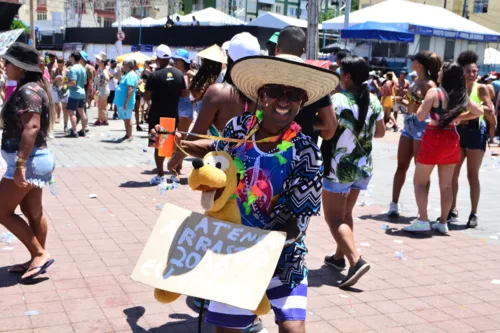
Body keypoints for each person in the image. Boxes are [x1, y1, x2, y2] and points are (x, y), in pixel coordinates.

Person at [151, 53, 338, 333]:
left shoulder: (307, 152)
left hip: (283, 257)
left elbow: (299, 223)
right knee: (228, 331)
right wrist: (176, 142)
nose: (284, 101)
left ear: (302, 101)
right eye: (275, 91)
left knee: (292, 329)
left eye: (294, 94)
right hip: (232, 251)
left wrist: (262, 248)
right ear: (262, 95)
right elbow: (217, 152)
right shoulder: (239, 127)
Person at [322, 56, 385, 288]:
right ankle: (339, 258)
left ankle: (355, 260)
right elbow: (380, 133)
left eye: (340, 71)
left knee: (334, 217)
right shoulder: (374, 100)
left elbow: (327, 132)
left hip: (339, 167)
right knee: (346, 214)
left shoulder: (337, 99)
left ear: (347, 76)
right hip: (362, 167)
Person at [402, 62, 484, 234]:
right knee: (446, 185)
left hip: (433, 136)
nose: (438, 72)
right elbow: (478, 111)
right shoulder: (461, 95)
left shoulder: (434, 92)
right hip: (451, 138)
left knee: (420, 181)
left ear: (445, 75)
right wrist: (458, 117)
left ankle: (423, 219)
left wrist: (421, 109)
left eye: (441, 70)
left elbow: (420, 116)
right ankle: (443, 222)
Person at [166, 33, 260, 176]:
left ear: (228, 58)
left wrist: (176, 158)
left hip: (221, 170)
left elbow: (197, 133)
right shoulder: (263, 96)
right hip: (254, 173)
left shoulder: (218, 92)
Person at [0, 42, 56, 280]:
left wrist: (20, 165)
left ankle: (39, 253)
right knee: (33, 211)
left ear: (21, 67)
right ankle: (36, 259)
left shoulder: (27, 91)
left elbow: (31, 128)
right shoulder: (33, 88)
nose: (5, 66)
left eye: (9, 63)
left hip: (27, 161)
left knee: (1, 211)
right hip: (35, 159)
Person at [388, 51, 441, 217]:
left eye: (413, 61)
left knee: (421, 169)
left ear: (419, 64)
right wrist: (399, 102)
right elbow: (408, 102)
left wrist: (415, 102)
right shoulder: (416, 82)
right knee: (401, 165)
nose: (411, 63)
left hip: (422, 126)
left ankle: (421, 210)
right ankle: (394, 204)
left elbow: (434, 107)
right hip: (409, 124)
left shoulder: (429, 85)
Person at [450, 51, 494, 228]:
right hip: (458, 133)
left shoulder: (482, 88)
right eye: (468, 71)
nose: (472, 74)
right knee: (453, 174)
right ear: (462, 71)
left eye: (475, 71)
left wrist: (462, 116)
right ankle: (452, 209)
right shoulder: (456, 89)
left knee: (472, 175)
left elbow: (488, 110)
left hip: (476, 134)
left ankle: (474, 212)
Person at [276, 26, 338, 143]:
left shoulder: (265, 77)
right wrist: (308, 123)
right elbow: (330, 126)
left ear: (277, 48)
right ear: (302, 51)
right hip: (304, 152)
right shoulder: (315, 81)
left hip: (269, 150)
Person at [144, 45, 188, 184]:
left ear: (157, 58)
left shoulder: (153, 75)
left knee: (158, 145)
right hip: (172, 114)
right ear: (169, 58)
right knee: (171, 144)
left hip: (156, 114)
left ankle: (160, 174)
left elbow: (147, 96)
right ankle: (174, 172)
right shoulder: (179, 74)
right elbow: (184, 94)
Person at [171, 48, 195, 137]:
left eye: (178, 60)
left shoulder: (189, 74)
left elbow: (191, 93)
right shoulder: (172, 74)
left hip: (185, 107)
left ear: (184, 62)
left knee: (180, 137)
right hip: (173, 107)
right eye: (174, 59)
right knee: (170, 136)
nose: (175, 61)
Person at [114, 60, 138, 142]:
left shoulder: (131, 75)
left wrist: (126, 102)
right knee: (125, 118)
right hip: (122, 101)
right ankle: (127, 134)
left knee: (128, 118)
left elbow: (130, 89)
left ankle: (130, 135)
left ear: (127, 66)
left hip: (126, 102)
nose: (122, 66)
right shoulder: (127, 74)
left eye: (123, 65)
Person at [66, 51, 88, 137]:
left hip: (74, 94)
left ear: (72, 57)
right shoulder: (83, 68)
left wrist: (64, 83)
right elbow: (85, 82)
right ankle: (83, 130)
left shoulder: (73, 68)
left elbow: (73, 82)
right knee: (82, 112)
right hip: (82, 93)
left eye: (70, 57)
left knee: (71, 112)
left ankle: (74, 131)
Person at [95, 57, 110, 125]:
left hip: (103, 89)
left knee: (102, 106)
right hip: (101, 89)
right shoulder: (101, 69)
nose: (99, 63)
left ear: (103, 63)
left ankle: (104, 119)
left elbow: (107, 78)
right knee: (101, 106)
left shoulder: (104, 70)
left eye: (100, 62)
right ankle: (102, 119)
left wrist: (102, 79)